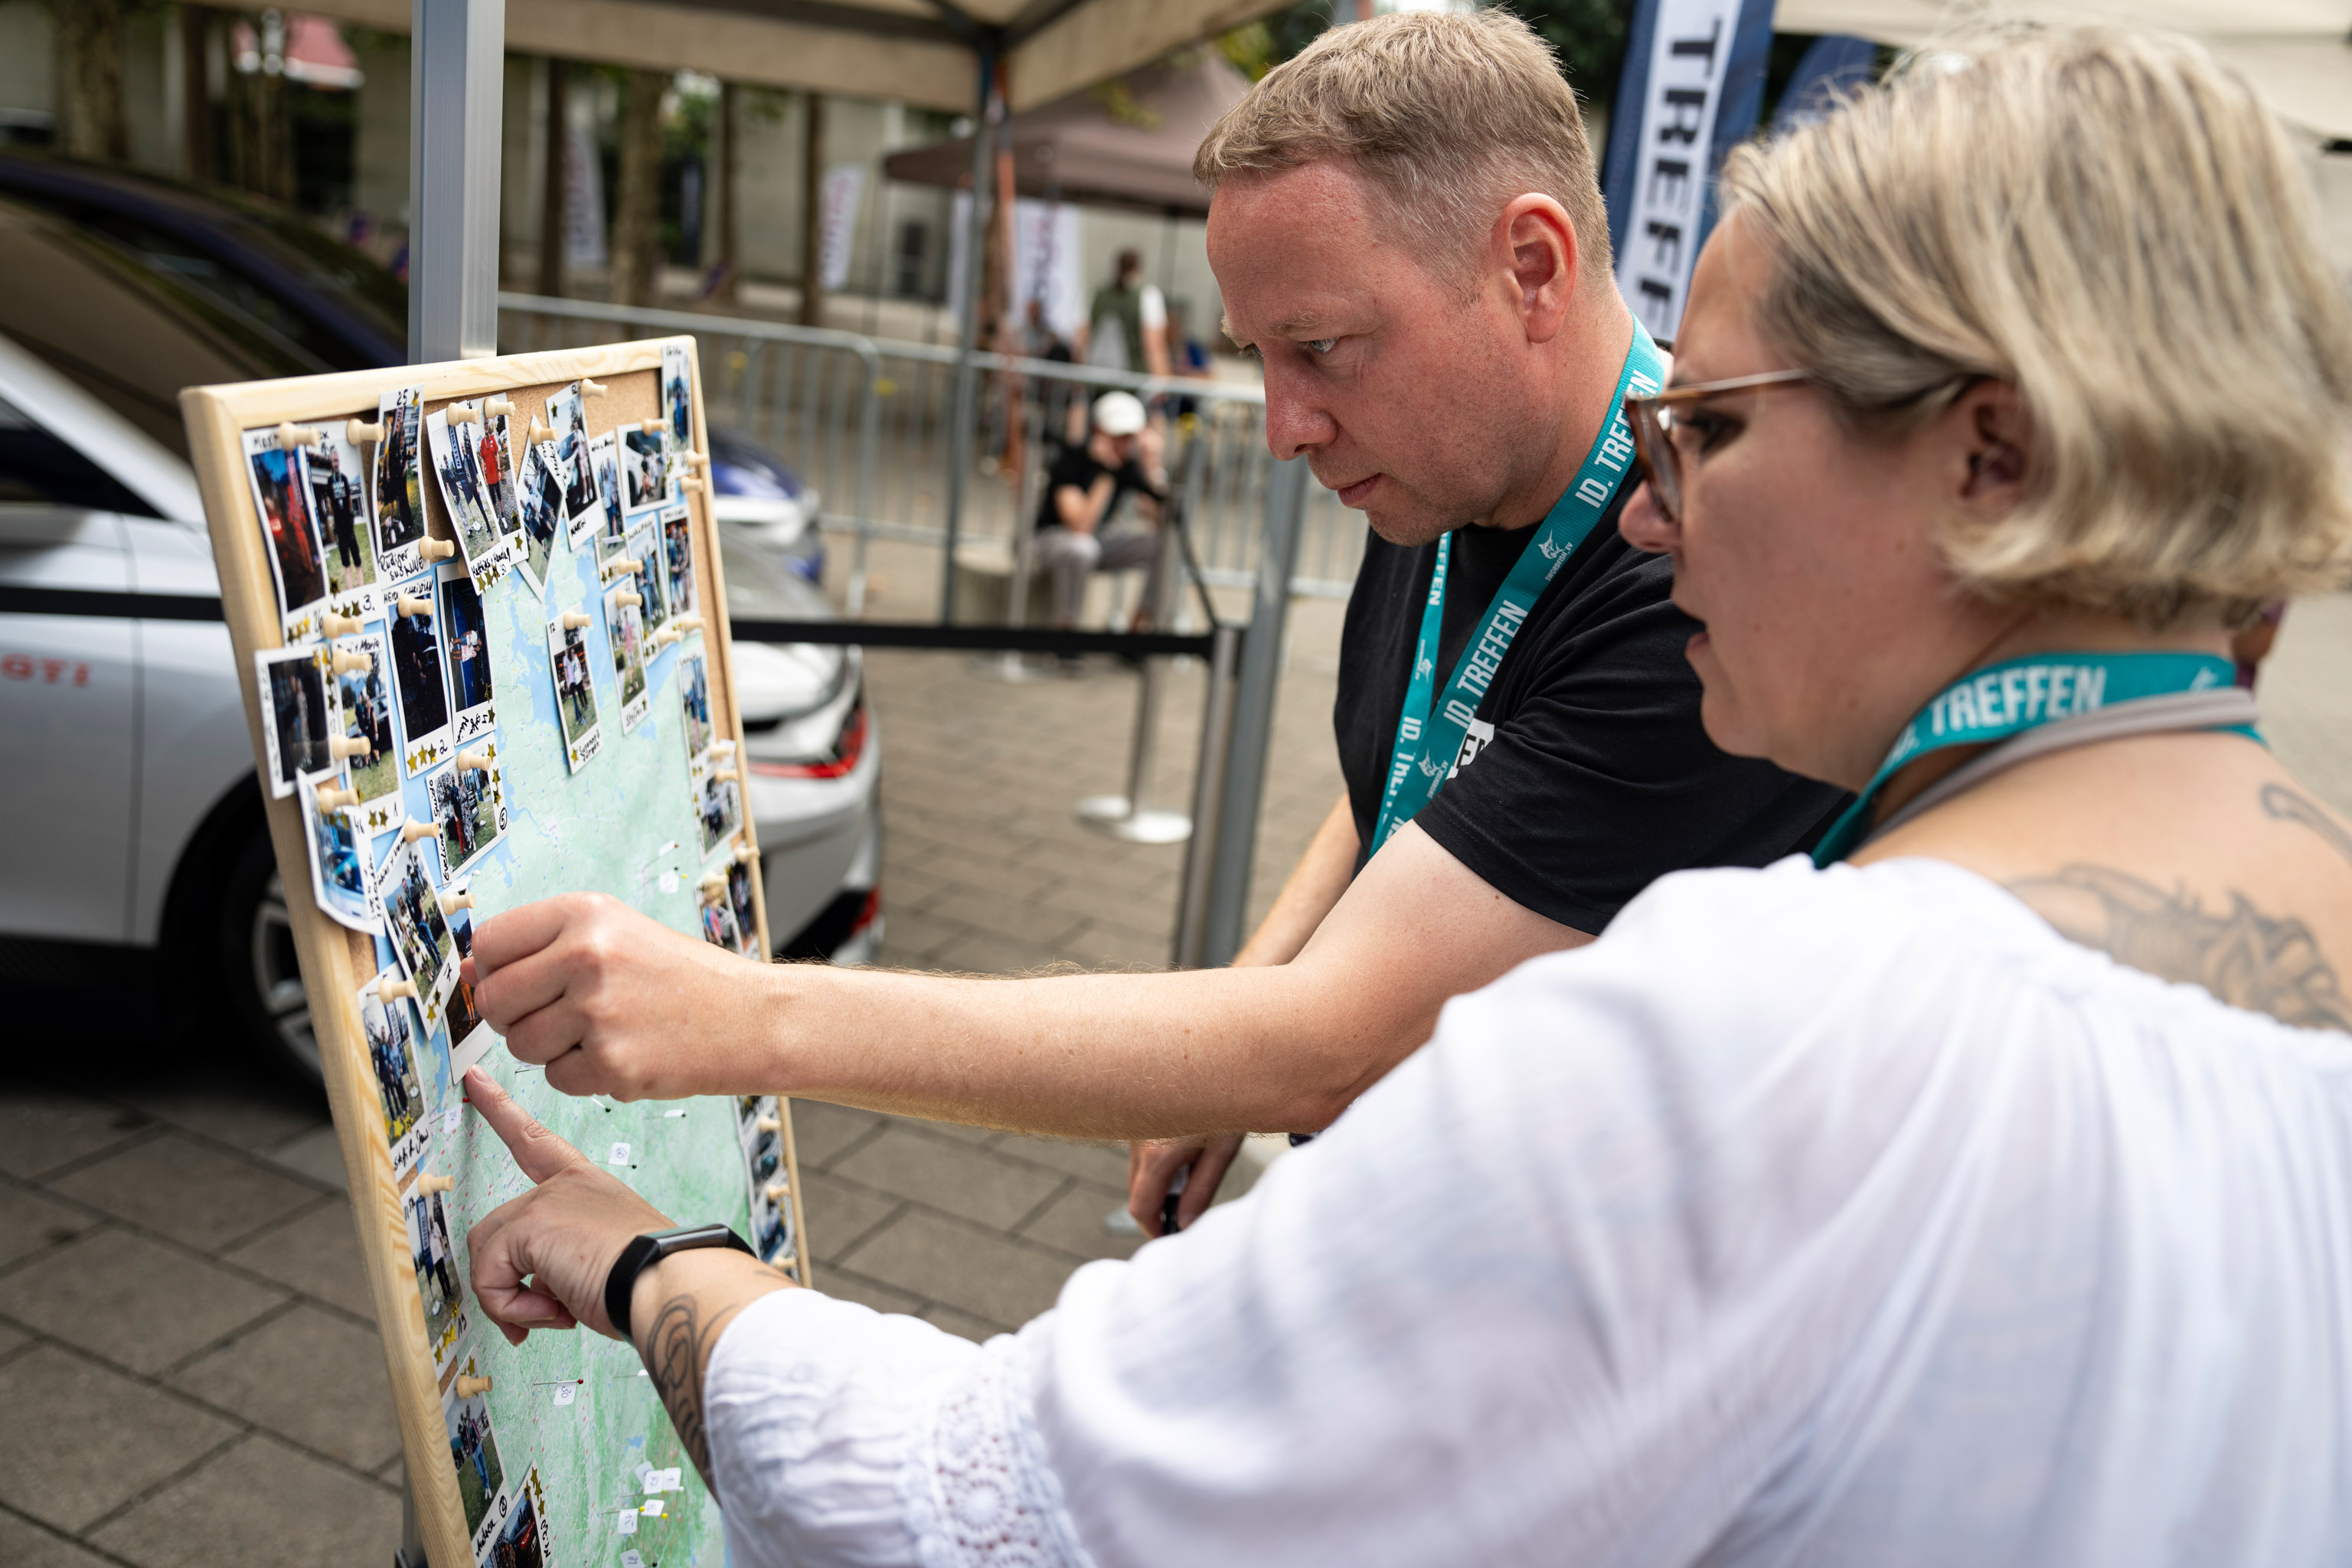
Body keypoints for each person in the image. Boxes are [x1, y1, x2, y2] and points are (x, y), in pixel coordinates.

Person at [462, 25, 2352, 1563]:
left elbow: (996, 1503)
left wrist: (652, 1252)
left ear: (1988, 455)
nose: (1652, 508)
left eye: (1708, 429)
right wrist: (1267, 975)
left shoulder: (1755, 1022)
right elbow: (1427, 794)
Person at [458, 12, 1843, 1234]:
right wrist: (1249, 992)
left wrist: (743, 1013)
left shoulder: (1698, 598)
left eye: (1323, 348)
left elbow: (1327, 1044)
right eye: (1258, 358)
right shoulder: (1457, 464)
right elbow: (1434, 784)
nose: (1285, 428)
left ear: (1530, 268)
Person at [1032, 390, 1170, 632]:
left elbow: (1166, 522)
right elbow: (1080, 526)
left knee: (1165, 547)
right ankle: (1066, 634)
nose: (1122, 443)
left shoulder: (1129, 465)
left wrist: (1152, 466)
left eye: (1129, 437)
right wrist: (1106, 473)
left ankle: (1137, 632)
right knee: (1082, 549)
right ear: (1098, 430)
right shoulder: (1071, 458)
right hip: (1052, 540)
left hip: (1097, 541)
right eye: (1117, 435)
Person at [1077, 247, 1171, 378]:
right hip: (1133, 380)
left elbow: (1081, 340)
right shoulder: (1149, 296)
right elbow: (1153, 344)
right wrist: (1163, 378)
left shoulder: (1097, 294)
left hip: (1096, 378)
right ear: (1139, 269)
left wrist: (1079, 379)